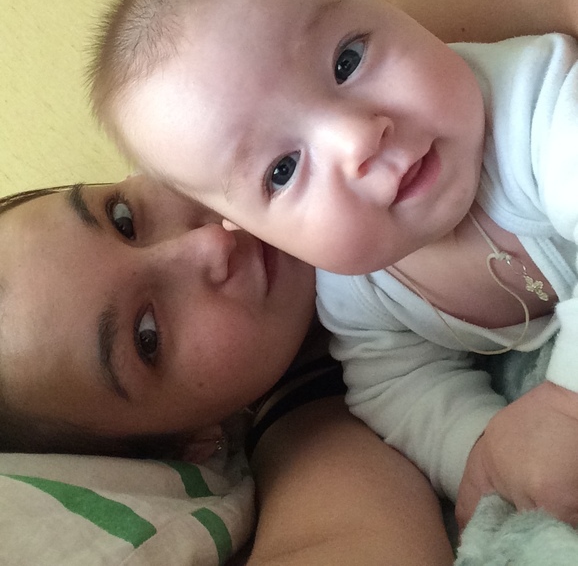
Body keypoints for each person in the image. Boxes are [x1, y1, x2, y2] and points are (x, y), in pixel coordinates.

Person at [86, 0, 578, 530]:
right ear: (250, 228)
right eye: (282, 171)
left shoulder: (538, 100)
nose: (357, 139)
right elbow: (397, 389)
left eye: (348, 59)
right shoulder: (357, 291)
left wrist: (565, 401)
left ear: (401, 10)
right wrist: (482, 450)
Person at [0, 176, 454, 566]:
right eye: (147, 336)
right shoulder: (312, 433)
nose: (211, 243)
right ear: (190, 444)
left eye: (123, 219)